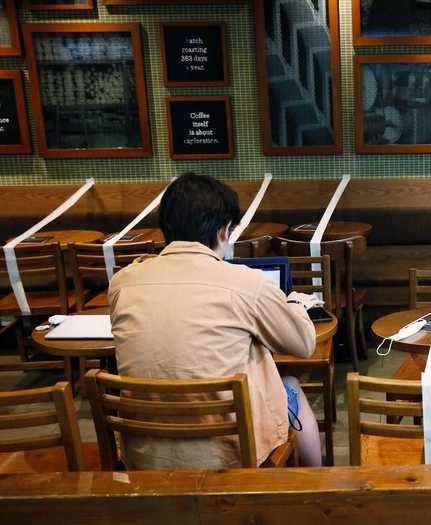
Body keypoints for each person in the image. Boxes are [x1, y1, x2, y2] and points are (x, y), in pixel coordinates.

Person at [108, 173, 322, 469]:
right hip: (230, 454)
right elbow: (303, 345)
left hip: (144, 452)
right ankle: (315, 485)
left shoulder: (123, 282)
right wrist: (296, 305)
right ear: (224, 232)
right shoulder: (247, 283)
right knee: (291, 385)